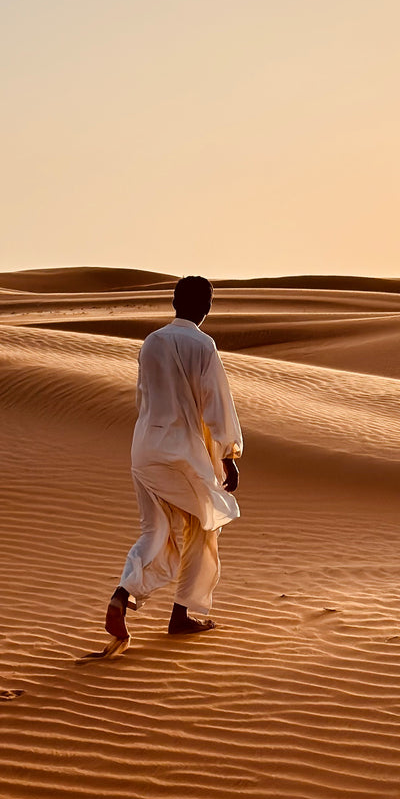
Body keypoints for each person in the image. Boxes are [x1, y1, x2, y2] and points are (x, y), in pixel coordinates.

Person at [102, 276, 242, 656]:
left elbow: (142, 397)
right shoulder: (203, 345)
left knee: (155, 529)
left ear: (175, 301)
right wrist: (229, 456)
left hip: (145, 448)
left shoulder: (152, 342)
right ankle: (181, 613)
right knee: (204, 525)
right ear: (205, 307)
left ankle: (122, 595)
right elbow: (217, 405)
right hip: (181, 452)